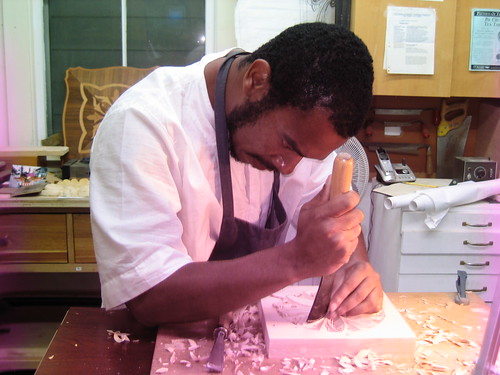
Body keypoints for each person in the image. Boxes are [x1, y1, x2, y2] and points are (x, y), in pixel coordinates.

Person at [90, 22, 383, 326]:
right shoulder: (143, 123)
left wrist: (355, 269)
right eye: (287, 146)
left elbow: (335, 219)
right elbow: (149, 296)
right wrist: (296, 260)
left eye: (306, 157)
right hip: (150, 346)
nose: (290, 167)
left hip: (243, 341)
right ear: (256, 80)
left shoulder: (304, 128)